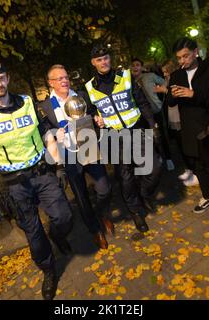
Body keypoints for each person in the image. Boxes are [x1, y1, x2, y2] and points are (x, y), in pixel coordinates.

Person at [0, 60, 73, 300]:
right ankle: (49, 271)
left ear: (7, 78)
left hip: (42, 173)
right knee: (34, 234)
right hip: (16, 185)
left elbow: (47, 134)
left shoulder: (27, 102)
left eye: (1, 77)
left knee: (64, 216)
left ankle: (58, 236)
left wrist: (59, 165)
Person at [81, 45, 162, 233]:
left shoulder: (125, 77)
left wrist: (152, 124)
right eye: (99, 60)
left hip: (136, 130)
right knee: (125, 178)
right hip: (114, 137)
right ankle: (135, 212)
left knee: (155, 168)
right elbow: (91, 113)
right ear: (93, 63)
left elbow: (141, 102)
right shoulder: (88, 88)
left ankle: (144, 194)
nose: (103, 62)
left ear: (110, 59)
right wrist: (95, 119)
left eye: (106, 58)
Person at [39, 64, 113, 250]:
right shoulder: (45, 107)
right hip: (68, 155)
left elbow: (94, 112)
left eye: (66, 77)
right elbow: (44, 131)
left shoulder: (81, 95)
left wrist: (98, 119)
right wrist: (55, 134)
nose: (64, 80)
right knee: (81, 196)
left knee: (104, 188)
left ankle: (102, 213)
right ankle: (95, 229)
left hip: (88, 147)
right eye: (59, 78)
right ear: (51, 83)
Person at [166, 38, 209, 219]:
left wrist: (193, 94)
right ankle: (207, 196)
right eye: (179, 58)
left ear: (195, 52)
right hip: (189, 126)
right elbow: (169, 102)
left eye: (185, 56)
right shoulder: (177, 75)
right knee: (198, 164)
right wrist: (173, 93)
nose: (182, 61)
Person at [131, 58, 175, 171]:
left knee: (161, 135)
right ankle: (158, 158)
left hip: (156, 110)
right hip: (143, 115)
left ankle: (168, 158)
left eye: (137, 65)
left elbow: (164, 82)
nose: (135, 67)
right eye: (133, 65)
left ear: (141, 67)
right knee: (149, 137)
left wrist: (162, 89)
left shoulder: (150, 76)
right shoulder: (129, 82)